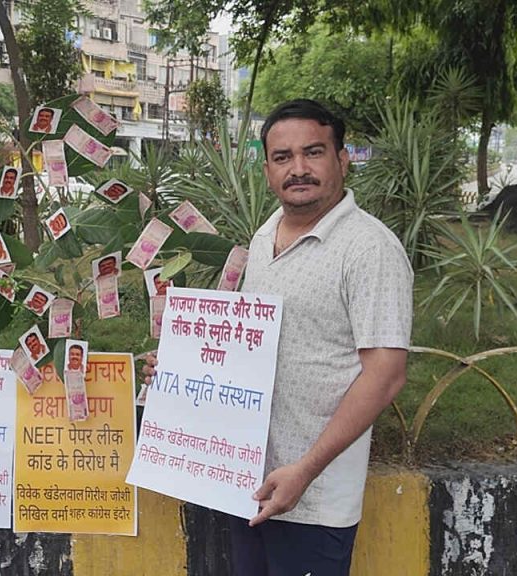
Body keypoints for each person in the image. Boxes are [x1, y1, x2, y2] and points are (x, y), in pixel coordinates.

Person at [144, 99, 411, 576]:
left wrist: (304, 471)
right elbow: (248, 346)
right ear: (267, 168)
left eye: (314, 152)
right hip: (248, 480)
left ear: (342, 159)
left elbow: (386, 376)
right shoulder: (266, 234)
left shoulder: (370, 249)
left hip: (314, 499)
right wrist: (183, 369)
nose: (299, 169)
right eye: (283, 157)